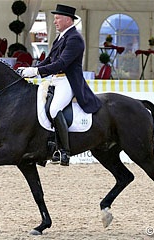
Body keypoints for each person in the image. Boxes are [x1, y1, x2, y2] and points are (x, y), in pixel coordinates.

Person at [19, 4, 102, 166]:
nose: (55, 21)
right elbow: (49, 60)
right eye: (55, 18)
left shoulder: (75, 39)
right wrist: (31, 69)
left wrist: (36, 71)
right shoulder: (61, 37)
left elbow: (62, 63)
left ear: (68, 19)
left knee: (54, 109)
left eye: (57, 18)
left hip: (68, 81)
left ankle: (64, 151)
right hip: (55, 80)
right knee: (38, 105)